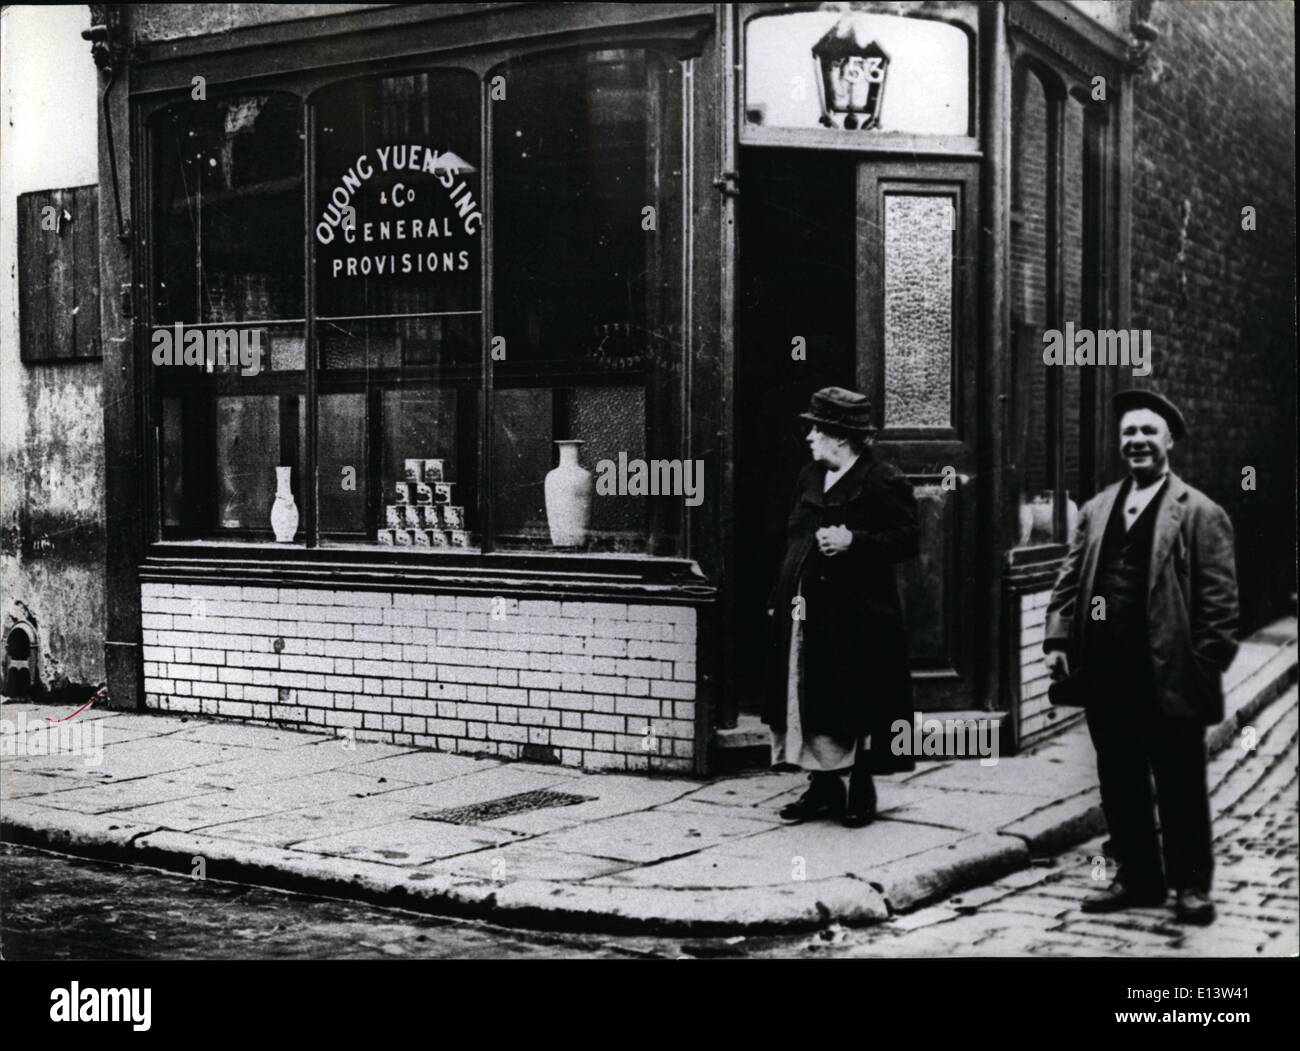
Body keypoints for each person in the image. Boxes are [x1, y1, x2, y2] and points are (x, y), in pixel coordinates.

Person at [1044, 390, 1239, 925]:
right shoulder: (1097, 509)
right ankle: (1138, 877)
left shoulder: (1200, 513)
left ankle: (1191, 886)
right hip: (1107, 674)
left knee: (1179, 784)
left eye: (1148, 433)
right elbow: (1069, 579)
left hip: (1169, 676)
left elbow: (1220, 608)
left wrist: (1199, 665)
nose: (1137, 442)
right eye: (1129, 433)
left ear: (1168, 441)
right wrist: (1059, 639)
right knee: (1120, 780)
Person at [764, 386, 920, 827]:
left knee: (855, 700)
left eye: (817, 429)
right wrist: (778, 597)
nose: (810, 437)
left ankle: (861, 788)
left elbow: (907, 539)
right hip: (804, 612)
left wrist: (855, 541)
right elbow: (793, 539)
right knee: (811, 696)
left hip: (857, 616)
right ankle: (824, 789)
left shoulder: (881, 479)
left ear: (840, 437)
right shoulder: (809, 477)